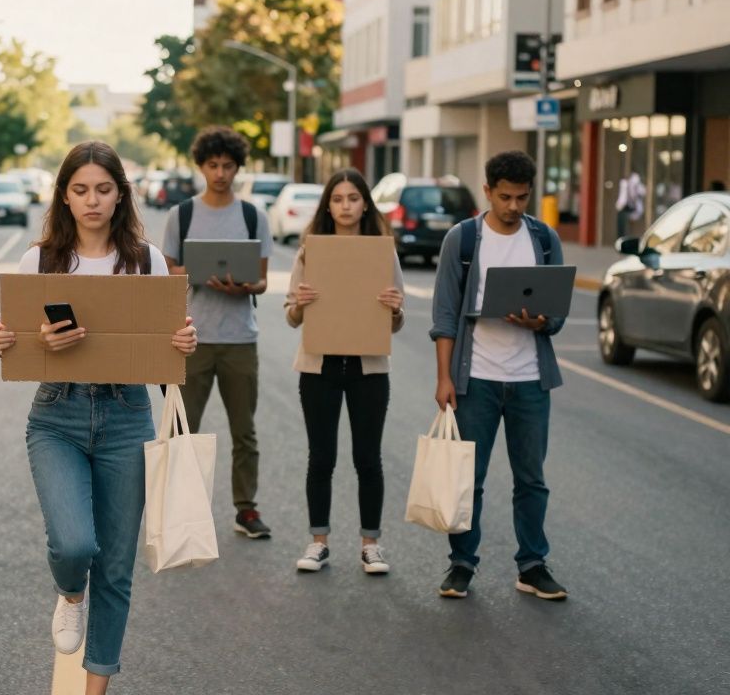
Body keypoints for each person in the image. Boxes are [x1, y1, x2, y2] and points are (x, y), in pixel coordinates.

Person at [0, 141, 198, 694]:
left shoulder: (146, 260)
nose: (92, 200)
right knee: (75, 545)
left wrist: (182, 340)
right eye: (80, 189)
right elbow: (12, 341)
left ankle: (94, 688)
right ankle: (69, 594)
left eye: (104, 189)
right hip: (56, 414)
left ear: (120, 195)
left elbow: (166, 350)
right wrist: (9, 338)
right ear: (64, 195)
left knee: (117, 568)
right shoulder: (40, 260)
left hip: (127, 414)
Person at [431, 150, 568, 601]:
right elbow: (445, 313)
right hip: (478, 379)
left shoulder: (544, 240)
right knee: (470, 477)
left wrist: (541, 322)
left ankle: (532, 565)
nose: (513, 207)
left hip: (530, 377)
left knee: (532, 478)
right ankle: (462, 565)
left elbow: (558, 314)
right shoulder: (463, 239)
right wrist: (444, 378)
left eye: (522, 198)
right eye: (505, 197)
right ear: (487, 191)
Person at [284, 169, 404, 574]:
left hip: (369, 368)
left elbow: (398, 321)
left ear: (365, 203)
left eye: (353, 198)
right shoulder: (310, 251)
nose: (346, 205)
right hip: (319, 367)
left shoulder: (382, 252)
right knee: (321, 458)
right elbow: (291, 317)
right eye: (338, 199)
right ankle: (318, 541)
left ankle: (371, 544)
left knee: (368, 459)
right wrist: (301, 302)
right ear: (328, 205)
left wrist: (395, 307)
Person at [162, 126, 274, 539]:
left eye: (228, 166)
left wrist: (244, 285)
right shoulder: (183, 214)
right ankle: (178, 509)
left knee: (244, 431)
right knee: (181, 428)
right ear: (201, 166)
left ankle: (246, 509)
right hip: (191, 337)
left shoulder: (252, 215)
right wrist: (198, 272)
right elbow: (165, 270)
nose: (221, 173)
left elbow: (262, 281)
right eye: (213, 165)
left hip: (240, 338)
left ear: (237, 167)